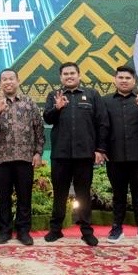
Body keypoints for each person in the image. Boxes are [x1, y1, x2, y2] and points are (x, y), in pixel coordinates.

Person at [42, 61, 109, 245]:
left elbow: (102, 122)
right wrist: (57, 108)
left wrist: (100, 149)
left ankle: (86, 231)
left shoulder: (92, 95)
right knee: (59, 193)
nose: (69, 76)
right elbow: (47, 118)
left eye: (72, 73)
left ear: (79, 75)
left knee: (83, 194)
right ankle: (56, 229)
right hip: (60, 154)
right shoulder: (54, 95)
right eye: (65, 74)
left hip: (84, 154)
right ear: (60, 77)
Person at [0, 68, 44, 245]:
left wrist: (38, 152)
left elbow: (39, 128)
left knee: (25, 197)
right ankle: (4, 231)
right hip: (2, 159)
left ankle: (23, 231)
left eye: (11, 78)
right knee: (4, 198)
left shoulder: (29, 102)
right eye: (4, 79)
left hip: (25, 158)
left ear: (18, 81)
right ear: (0, 83)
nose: (8, 82)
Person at [100, 66, 138, 245]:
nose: (124, 81)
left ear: (134, 81)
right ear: (115, 80)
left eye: (127, 78)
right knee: (118, 194)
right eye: (121, 77)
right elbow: (101, 126)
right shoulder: (106, 101)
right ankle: (117, 228)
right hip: (114, 156)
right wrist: (101, 150)